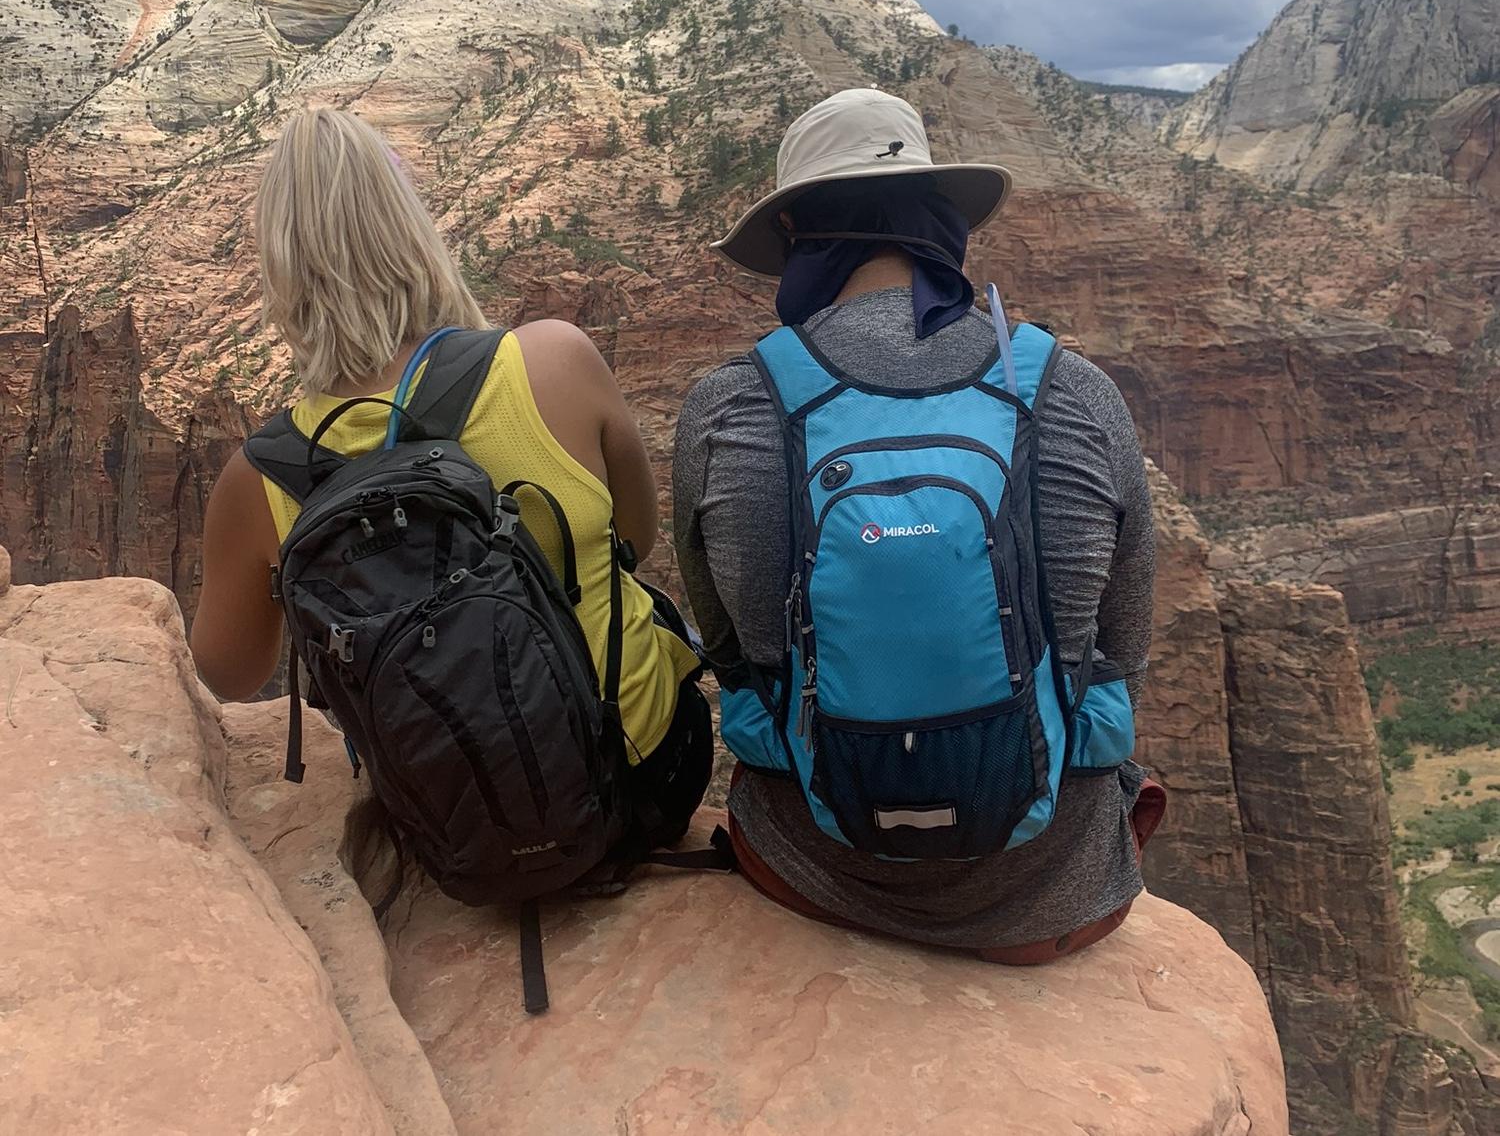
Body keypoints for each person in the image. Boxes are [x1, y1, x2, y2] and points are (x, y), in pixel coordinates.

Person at [673, 87, 1161, 961]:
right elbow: (1123, 648)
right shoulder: (1074, 392)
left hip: (809, 871)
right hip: (1051, 894)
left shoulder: (730, 407)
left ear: (793, 234)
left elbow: (733, 653)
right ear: (938, 217)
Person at [192, 107, 709, 848]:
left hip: (448, 827)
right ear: (414, 232)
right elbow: (637, 537)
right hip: (646, 781)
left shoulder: (260, 476)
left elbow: (231, 674)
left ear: (280, 270)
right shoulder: (556, 359)